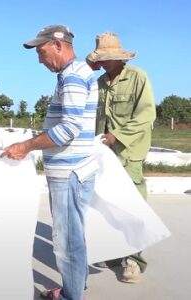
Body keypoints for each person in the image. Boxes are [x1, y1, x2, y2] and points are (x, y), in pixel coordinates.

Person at [1, 25, 99, 300]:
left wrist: (27, 146)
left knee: (67, 241)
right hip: (75, 169)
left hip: (70, 171)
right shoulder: (76, 73)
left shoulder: (73, 77)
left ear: (58, 44)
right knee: (74, 235)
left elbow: (69, 129)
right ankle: (75, 287)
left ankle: (71, 296)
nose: (40, 59)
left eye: (42, 52)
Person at [87, 32, 156, 283]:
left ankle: (134, 260)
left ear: (119, 58)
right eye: (100, 59)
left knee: (132, 207)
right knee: (107, 206)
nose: (102, 63)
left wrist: (118, 135)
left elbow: (146, 115)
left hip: (128, 153)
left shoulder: (138, 78)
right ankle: (115, 252)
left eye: (106, 58)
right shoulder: (98, 83)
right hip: (103, 154)